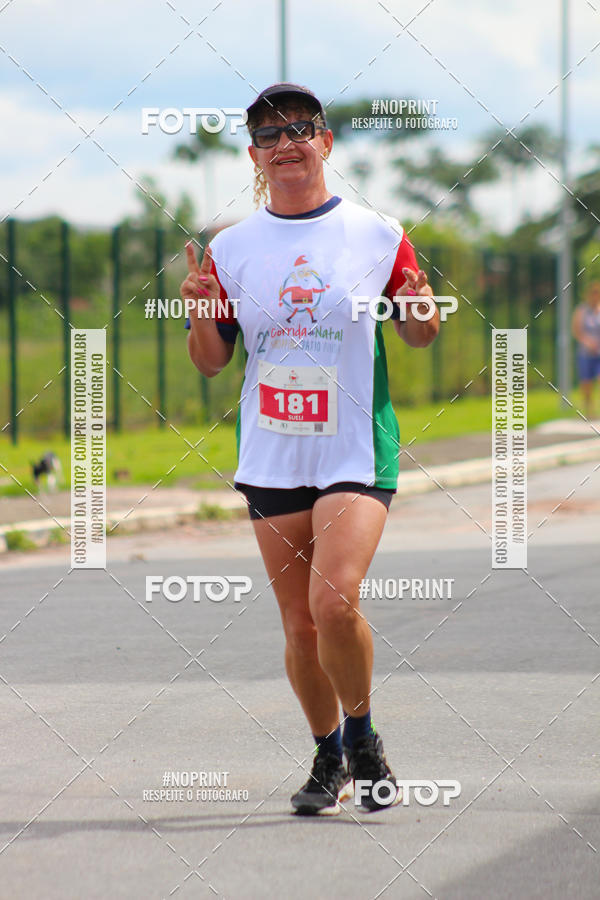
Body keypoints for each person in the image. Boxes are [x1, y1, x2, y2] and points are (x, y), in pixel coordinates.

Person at [182, 83, 440, 815]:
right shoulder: (231, 249)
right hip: (273, 449)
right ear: (254, 156)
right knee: (298, 623)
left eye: (300, 129)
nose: (285, 143)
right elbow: (211, 362)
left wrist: (420, 309)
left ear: (325, 142)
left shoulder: (377, 234)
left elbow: (419, 332)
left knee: (333, 601)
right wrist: (200, 314)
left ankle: (363, 738)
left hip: (354, 446)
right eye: (269, 135)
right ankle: (329, 755)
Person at [571, 280, 600, 419]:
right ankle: (589, 411)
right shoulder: (581, 310)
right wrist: (587, 342)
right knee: (586, 382)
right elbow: (577, 330)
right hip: (586, 352)